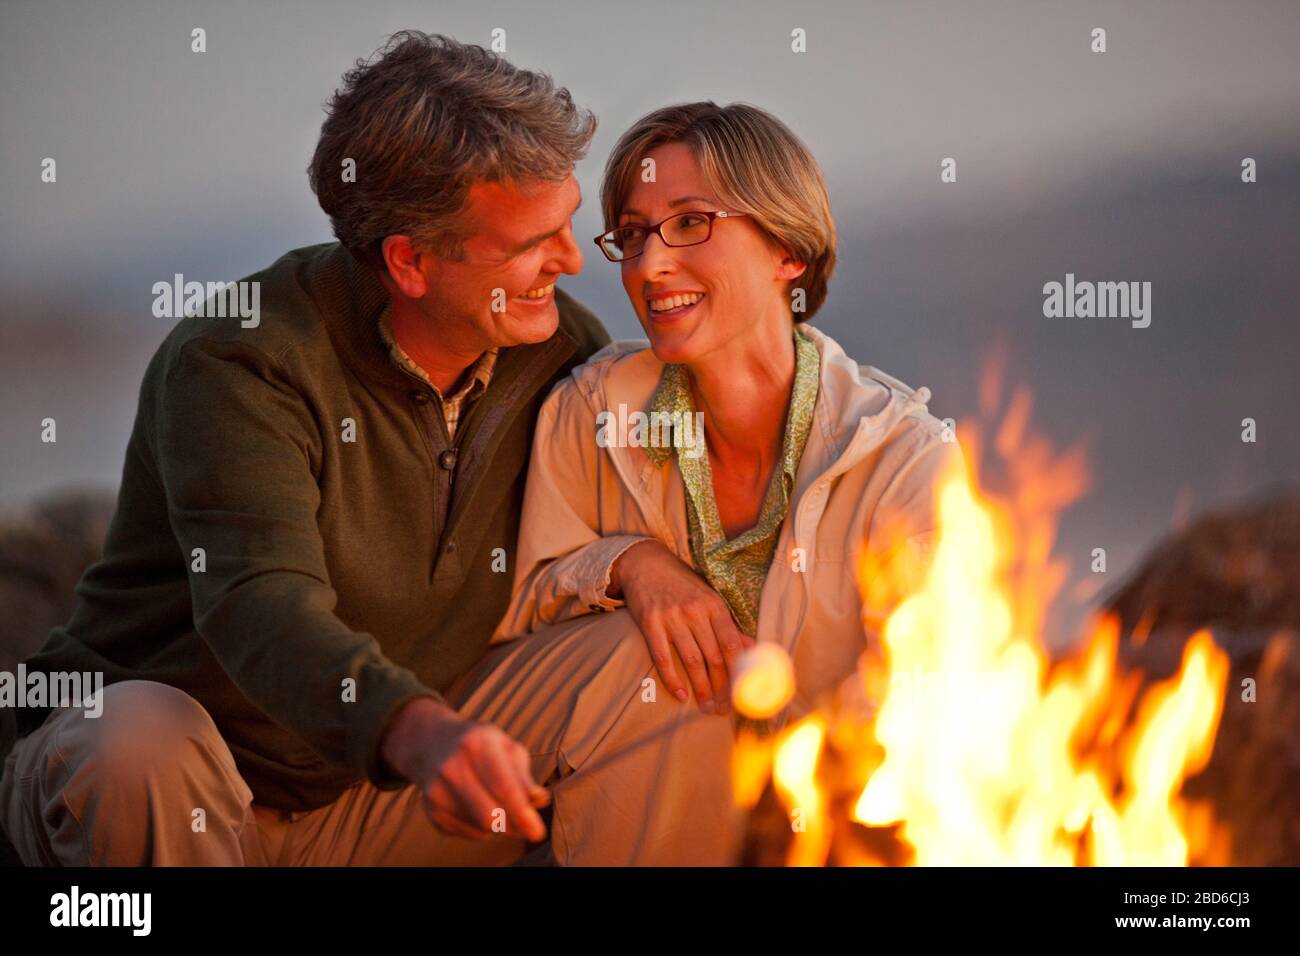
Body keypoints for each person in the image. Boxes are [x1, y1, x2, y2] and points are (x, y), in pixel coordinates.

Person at [0, 32, 710, 867]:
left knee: (660, 658)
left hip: (369, 804)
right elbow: (261, 603)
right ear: (409, 261)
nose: (568, 261)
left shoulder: (559, 355)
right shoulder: (241, 360)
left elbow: (613, 524)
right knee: (137, 744)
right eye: (530, 244)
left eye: (567, 227)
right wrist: (420, 733)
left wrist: (638, 564)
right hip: (180, 791)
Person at [495, 102, 965, 807]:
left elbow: (930, 708)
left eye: (690, 222)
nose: (651, 265)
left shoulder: (902, 459)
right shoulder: (589, 413)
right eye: (631, 234)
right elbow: (522, 634)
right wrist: (629, 564)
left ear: (788, 249)